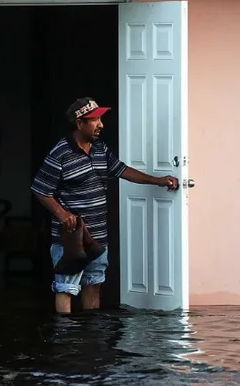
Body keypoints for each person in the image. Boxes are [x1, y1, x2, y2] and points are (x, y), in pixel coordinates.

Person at [31, 97, 179, 314]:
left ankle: (92, 337)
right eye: (95, 120)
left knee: (94, 283)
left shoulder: (100, 148)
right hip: (71, 237)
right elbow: (40, 189)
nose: (101, 125)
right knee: (66, 287)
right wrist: (62, 214)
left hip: (98, 236)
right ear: (79, 123)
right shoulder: (60, 153)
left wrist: (157, 180)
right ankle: (65, 341)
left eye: (101, 119)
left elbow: (122, 170)